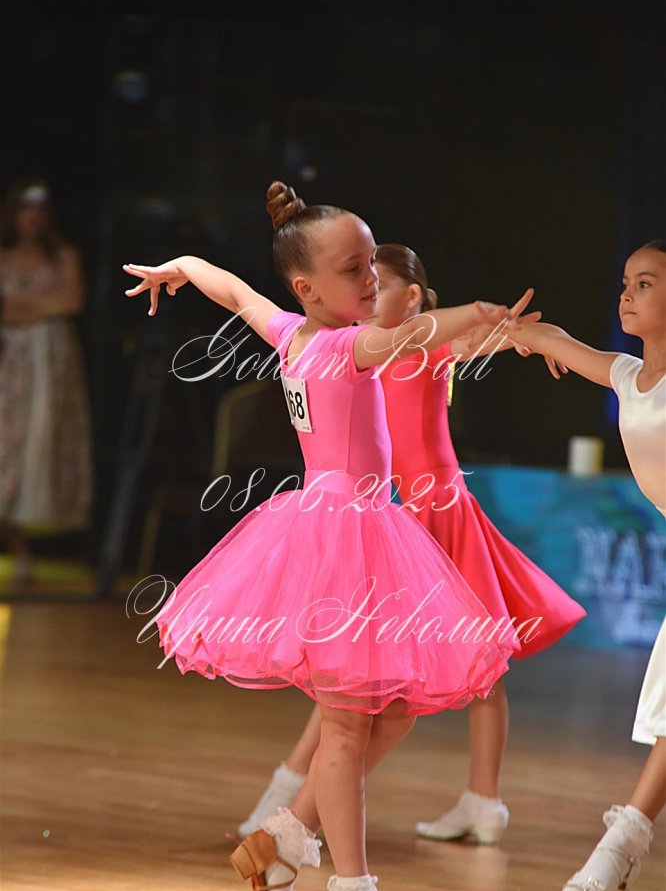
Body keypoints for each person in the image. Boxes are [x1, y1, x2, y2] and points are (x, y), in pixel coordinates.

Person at [123, 180, 541, 891]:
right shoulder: (343, 346)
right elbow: (411, 334)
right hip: (340, 542)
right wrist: (479, 315)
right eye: (355, 270)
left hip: (365, 534)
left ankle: (280, 842)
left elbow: (236, 292)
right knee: (347, 727)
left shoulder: (291, 332)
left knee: (399, 709)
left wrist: (182, 266)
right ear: (310, 288)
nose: (371, 279)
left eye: (371, 263)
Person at [238, 244, 586, 846]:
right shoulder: (361, 349)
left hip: (437, 515)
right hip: (388, 520)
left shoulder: (423, 346)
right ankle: (296, 801)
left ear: (415, 297)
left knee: (475, 664)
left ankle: (479, 799)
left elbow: (486, 337)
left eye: (379, 281)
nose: (369, 291)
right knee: (353, 672)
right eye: (361, 278)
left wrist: (526, 336)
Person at [505, 239, 665, 891]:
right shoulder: (628, 376)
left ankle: (621, 841)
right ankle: (623, 840)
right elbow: (556, 341)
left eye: (646, 283)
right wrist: (510, 331)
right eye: (626, 282)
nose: (627, 294)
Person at [0, 177, 92, 584]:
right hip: (11, 361)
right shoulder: (5, 258)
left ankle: (29, 547)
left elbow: (71, 301)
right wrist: (43, 306)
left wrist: (24, 307)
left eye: (39, 211)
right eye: (25, 210)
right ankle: (14, 542)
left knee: (41, 442)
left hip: (51, 363)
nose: (32, 219)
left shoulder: (63, 255)